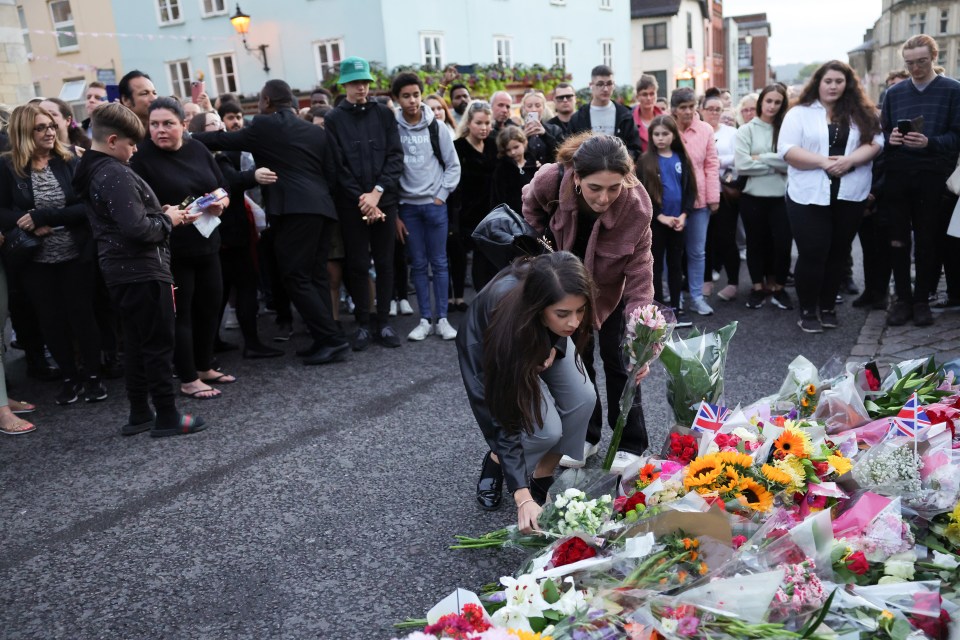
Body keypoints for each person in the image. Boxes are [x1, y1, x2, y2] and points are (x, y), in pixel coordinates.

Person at [73, 103, 206, 437]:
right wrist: (169, 219)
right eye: (132, 144)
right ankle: (167, 416)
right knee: (159, 344)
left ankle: (139, 413)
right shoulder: (113, 172)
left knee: (135, 343)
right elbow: (136, 230)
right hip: (142, 271)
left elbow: (125, 221)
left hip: (121, 272)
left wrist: (156, 213)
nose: (135, 151)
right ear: (114, 139)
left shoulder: (95, 171)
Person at [524, 133, 654, 474]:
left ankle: (630, 443)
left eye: (614, 187)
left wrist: (643, 337)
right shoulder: (551, 179)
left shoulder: (637, 206)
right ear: (577, 177)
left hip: (610, 292)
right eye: (595, 187)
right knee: (577, 363)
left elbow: (641, 274)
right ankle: (585, 436)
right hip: (564, 288)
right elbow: (529, 207)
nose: (605, 198)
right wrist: (541, 250)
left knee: (621, 361)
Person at [193, 80, 347, 365]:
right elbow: (333, 172)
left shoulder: (263, 126)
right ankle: (325, 337)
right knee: (315, 276)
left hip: (293, 211)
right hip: (323, 209)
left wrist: (185, 137)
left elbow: (222, 140)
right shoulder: (315, 131)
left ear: (266, 101)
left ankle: (333, 340)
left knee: (295, 276)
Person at [457, 251, 597, 526]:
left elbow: (570, 317)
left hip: (541, 331)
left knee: (584, 398)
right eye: (563, 314)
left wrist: (555, 346)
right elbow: (503, 415)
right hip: (492, 345)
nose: (575, 322)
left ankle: (542, 476)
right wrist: (522, 499)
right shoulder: (506, 334)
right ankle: (497, 461)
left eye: (580, 310)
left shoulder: (560, 291)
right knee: (544, 430)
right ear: (539, 308)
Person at [130, 97, 237, 400]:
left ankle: (204, 366)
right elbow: (136, 206)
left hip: (207, 243)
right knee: (182, 315)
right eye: (154, 124)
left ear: (183, 125)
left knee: (210, 306)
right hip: (170, 251)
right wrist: (163, 213)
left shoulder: (197, 149)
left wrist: (222, 203)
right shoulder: (142, 157)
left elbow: (221, 187)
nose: (160, 130)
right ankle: (188, 377)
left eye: (168, 124)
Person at [0, 103, 106, 406]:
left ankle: (94, 377)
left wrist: (47, 216)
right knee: (51, 320)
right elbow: (2, 210)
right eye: (40, 128)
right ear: (23, 132)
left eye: (50, 126)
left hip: (75, 253)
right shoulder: (7, 167)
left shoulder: (69, 160)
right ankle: (70, 377)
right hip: (34, 260)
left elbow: (88, 205)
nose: (49, 132)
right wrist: (27, 222)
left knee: (82, 315)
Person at [778, 61, 883, 333]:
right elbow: (787, 149)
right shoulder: (799, 113)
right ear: (818, 83)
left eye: (839, 81)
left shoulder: (862, 112)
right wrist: (825, 162)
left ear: (847, 84)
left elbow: (877, 143)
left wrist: (848, 161)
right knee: (813, 252)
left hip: (850, 194)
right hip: (808, 195)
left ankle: (827, 306)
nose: (833, 86)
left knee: (838, 253)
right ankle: (807, 309)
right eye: (828, 81)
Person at [323, 56, 405, 350]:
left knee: (385, 263)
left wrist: (377, 194)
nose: (362, 88)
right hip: (353, 203)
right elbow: (337, 165)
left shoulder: (383, 114)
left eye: (365, 82)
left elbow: (395, 157)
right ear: (344, 84)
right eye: (356, 82)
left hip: (384, 200)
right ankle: (361, 322)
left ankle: (382, 322)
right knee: (356, 264)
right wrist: (364, 200)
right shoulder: (334, 119)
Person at [188, 110, 282, 359]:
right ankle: (249, 343)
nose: (220, 129)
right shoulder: (214, 157)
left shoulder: (211, 155)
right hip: (229, 233)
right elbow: (229, 182)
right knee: (243, 286)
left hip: (221, 232)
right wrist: (253, 176)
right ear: (198, 129)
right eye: (213, 124)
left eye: (220, 123)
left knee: (222, 291)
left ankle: (212, 343)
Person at [882, 34, 960, 326]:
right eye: (910, 62)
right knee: (898, 240)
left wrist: (929, 142)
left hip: (934, 175)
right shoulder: (894, 93)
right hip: (898, 174)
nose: (915, 68)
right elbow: (884, 133)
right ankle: (902, 299)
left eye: (922, 62)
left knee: (928, 241)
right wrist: (891, 138)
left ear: (934, 58)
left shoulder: (953, 90)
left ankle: (921, 300)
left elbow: (957, 136)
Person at [391, 72, 462, 342]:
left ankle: (442, 319)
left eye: (416, 95)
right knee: (418, 265)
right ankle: (424, 320)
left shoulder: (437, 127)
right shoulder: (393, 128)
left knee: (440, 263)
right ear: (397, 99)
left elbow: (453, 164)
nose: (412, 101)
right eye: (406, 96)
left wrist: (441, 196)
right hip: (408, 207)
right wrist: (397, 209)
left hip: (434, 205)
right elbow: (389, 169)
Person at [735, 83, 793, 312]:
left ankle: (778, 287)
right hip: (753, 198)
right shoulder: (746, 130)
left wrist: (761, 158)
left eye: (778, 102)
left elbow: (789, 162)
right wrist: (775, 163)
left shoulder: (786, 130)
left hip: (780, 197)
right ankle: (757, 287)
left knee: (782, 244)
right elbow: (742, 165)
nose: (772, 106)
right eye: (769, 101)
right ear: (761, 102)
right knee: (756, 244)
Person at [639, 116, 696, 316]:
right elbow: (642, 193)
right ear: (651, 136)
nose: (661, 138)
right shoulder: (646, 161)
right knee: (655, 266)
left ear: (673, 135)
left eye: (665, 134)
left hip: (677, 221)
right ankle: (658, 306)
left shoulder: (682, 158)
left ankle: (675, 305)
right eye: (656, 134)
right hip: (657, 223)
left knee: (675, 264)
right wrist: (659, 216)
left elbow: (690, 189)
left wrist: (684, 215)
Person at [671, 87, 720, 316]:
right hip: (673, 201)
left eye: (691, 107)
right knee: (672, 253)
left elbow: (711, 164)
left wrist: (713, 196)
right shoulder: (666, 128)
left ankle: (697, 297)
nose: (688, 112)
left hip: (699, 200)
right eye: (683, 108)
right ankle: (674, 297)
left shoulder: (705, 130)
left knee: (697, 252)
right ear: (674, 109)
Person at [453, 100, 498, 293]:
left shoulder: (494, 144)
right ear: (468, 123)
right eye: (479, 123)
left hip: (490, 211)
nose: (484, 127)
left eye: (487, 123)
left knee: (487, 260)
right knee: (461, 257)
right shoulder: (458, 147)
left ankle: (487, 299)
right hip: (466, 213)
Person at [701, 93, 740, 302]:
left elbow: (738, 157)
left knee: (726, 237)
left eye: (718, 109)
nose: (714, 112)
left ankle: (733, 282)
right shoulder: (696, 131)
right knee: (703, 239)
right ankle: (706, 278)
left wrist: (713, 158)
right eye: (710, 109)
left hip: (725, 192)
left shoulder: (732, 132)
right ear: (702, 110)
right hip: (700, 192)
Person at [569, 65, 643, 160]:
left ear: (614, 85)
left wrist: (620, 161)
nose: (605, 89)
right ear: (591, 85)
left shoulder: (625, 115)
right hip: (587, 171)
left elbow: (635, 148)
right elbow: (570, 149)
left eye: (609, 84)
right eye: (600, 84)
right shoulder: (578, 117)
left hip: (618, 170)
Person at [490, 126, 537, 215]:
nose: (513, 152)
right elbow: (498, 198)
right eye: (508, 150)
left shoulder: (533, 165)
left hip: (534, 215)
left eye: (516, 147)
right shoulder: (501, 170)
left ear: (524, 143)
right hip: (512, 216)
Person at [632, 74, 664, 154]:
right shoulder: (630, 120)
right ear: (637, 97)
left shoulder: (665, 118)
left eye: (652, 94)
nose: (649, 98)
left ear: (656, 95)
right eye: (644, 94)